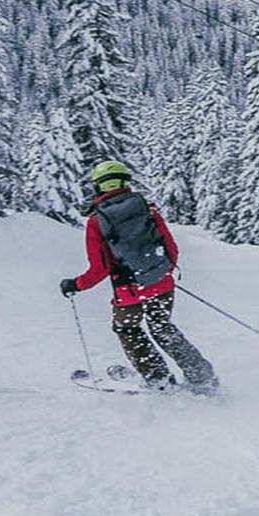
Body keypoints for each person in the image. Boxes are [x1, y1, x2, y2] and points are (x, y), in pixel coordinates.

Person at [59, 160, 220, 393]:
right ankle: (202, 375)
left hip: (129, 291)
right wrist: (161, 273)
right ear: (125, 182)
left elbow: (99, 269)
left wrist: (75, 285)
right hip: (161, 284)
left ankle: (158, 379)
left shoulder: (97, 221)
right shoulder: (147, 209)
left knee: (127, 328)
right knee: (162, 327)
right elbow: (170, 248)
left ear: (99, 186)